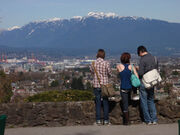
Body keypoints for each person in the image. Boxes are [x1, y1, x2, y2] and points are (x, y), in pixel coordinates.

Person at [90, 49, 112, 125]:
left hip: (96, 85)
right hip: (104, 85)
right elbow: (109, 73)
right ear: (104, 55)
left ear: (97, 55)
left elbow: (92, 72)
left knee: (98, 103)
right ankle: (106, 120)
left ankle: (98, 120)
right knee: (105, 102)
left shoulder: (93, 63)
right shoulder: (106, 63)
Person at [137, 46, 158, 125]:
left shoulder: (142, 60)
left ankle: (148, 120)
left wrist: (137, 69)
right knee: (151, 100)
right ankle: (154, 119)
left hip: (144, 82)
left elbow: (140, 73)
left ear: (140, 52)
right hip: (152, 82)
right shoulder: (154, 58)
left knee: (144, 101)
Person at [117, 52, 139, 125]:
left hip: (123, 87)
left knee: (125, 104)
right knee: (129, 102)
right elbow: (137, 77)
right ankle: (129, 119)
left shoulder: (119, 66)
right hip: (130, 87)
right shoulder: (131, 66)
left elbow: (119, 74)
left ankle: (126, 121)